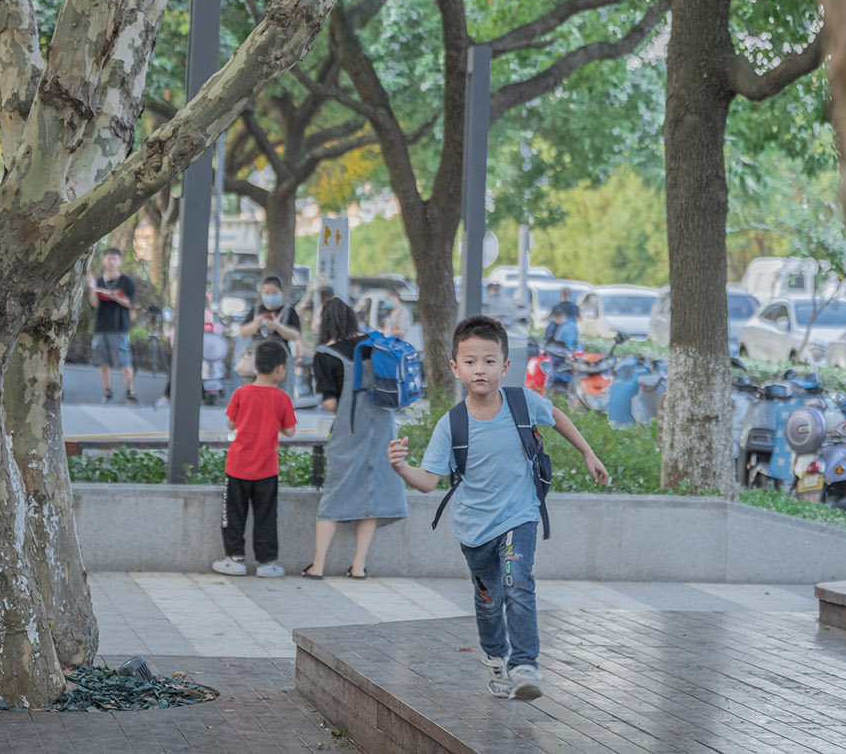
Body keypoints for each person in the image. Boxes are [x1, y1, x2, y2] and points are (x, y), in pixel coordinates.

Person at [388, 316, 610, 701]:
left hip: (518, 518)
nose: (481, 369)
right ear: (456, 368)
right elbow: (428, 481)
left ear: (505, 367)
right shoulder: (451, 424)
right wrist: (401, 467)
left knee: (516, 582)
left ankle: (525, 665)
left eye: (490, 361)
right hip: (474, 530)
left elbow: (556, 417)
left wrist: (588, 453)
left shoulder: (522, 403)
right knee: (489, 601)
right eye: (471, 361)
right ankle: (495, 657)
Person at [303, 299, 407, 579]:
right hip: (383, 430)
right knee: (371, 493)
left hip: (349, 432)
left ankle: (318, 565)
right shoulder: (375, 345)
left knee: (335, 491)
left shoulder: (325, 354)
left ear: (325, 322)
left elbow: (330, 405)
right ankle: (359, 566)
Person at [214, 340, 297, 578]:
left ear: (255, 366)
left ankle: (235, 559)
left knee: (233, 515)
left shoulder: (241, 393)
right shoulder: (282, 399)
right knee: (266, 517)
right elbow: (290, 431)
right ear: (280, 369)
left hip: (238, 466)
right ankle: (266, 562)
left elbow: (231, 423)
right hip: (267, 469)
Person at [86, 248, 138, 403]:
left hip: (120, 328)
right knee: (103, 362)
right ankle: (107, 392)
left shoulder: (126, 282)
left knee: (125, 363)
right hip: (101, 327)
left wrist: (115, 297)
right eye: (109, 258)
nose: (111, 261)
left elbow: (130, 304)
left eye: (114, 259)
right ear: (104, 260)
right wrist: (93, 288)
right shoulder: (99, 281)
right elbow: (94, 304)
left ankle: (131, 391)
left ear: (119, 261)